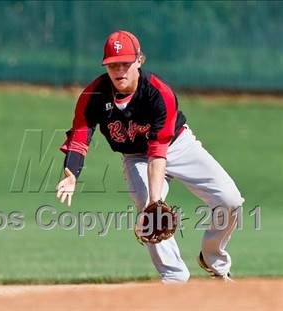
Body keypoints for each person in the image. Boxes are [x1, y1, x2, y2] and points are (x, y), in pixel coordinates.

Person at [56, 30, 244, 283]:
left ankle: (213, 258)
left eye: (125, 63)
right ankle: (174, 277)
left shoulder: (158, 93)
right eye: (113, 64)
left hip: (177, 145)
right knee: (148, 210)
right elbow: (80, 133)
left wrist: (157, 202)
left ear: (139, 61)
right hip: (135, 156)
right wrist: (72, 172)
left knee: (229, 199)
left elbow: (158, 150)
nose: (119, 70)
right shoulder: (94, 96)